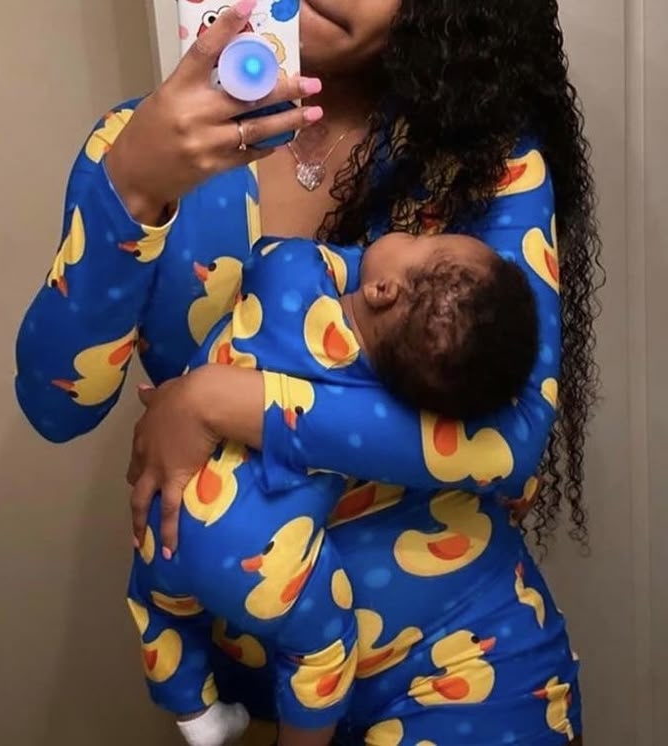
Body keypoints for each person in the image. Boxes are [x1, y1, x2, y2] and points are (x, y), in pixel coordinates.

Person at [15, 1, 601, 743]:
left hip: (465, 671)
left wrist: (218, 400)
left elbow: (507, 444)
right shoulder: (142, 145)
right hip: (252, 692)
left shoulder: (485, 158)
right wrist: (130, 188)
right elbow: (56, 406)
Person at [127, 231, 538, 746]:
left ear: (383, 290)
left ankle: (194, 712)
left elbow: (270, 254)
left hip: (165, 519)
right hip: (266, 569)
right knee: (323, 650)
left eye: (416, 238)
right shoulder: (372, 401)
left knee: (157, 604)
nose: (411, 231)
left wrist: (201, 395)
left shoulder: (291, 271)